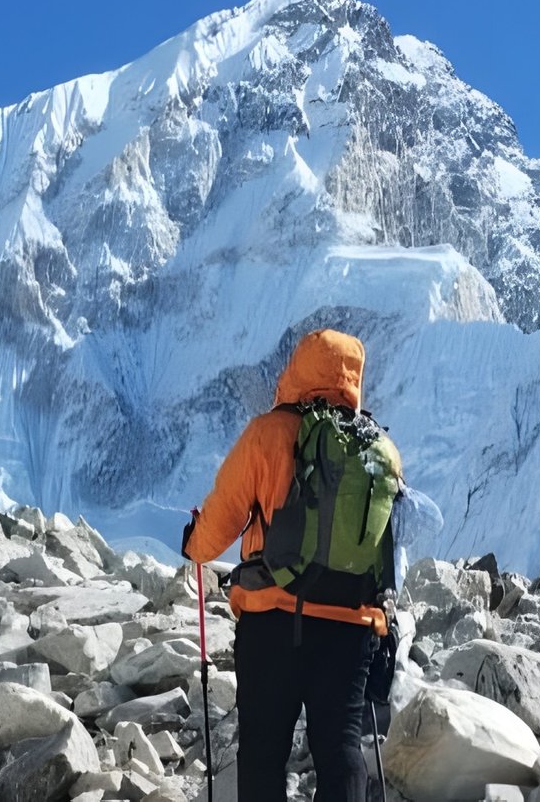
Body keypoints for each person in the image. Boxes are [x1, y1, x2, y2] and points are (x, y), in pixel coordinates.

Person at [182, 330, 402, 802]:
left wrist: (194, 545)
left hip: (272, 622)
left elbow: (220, 522)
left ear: (297, 368)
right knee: (340, 746)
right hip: (350, 626)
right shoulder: (379, 449)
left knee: (263, 749)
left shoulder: (268, 433)